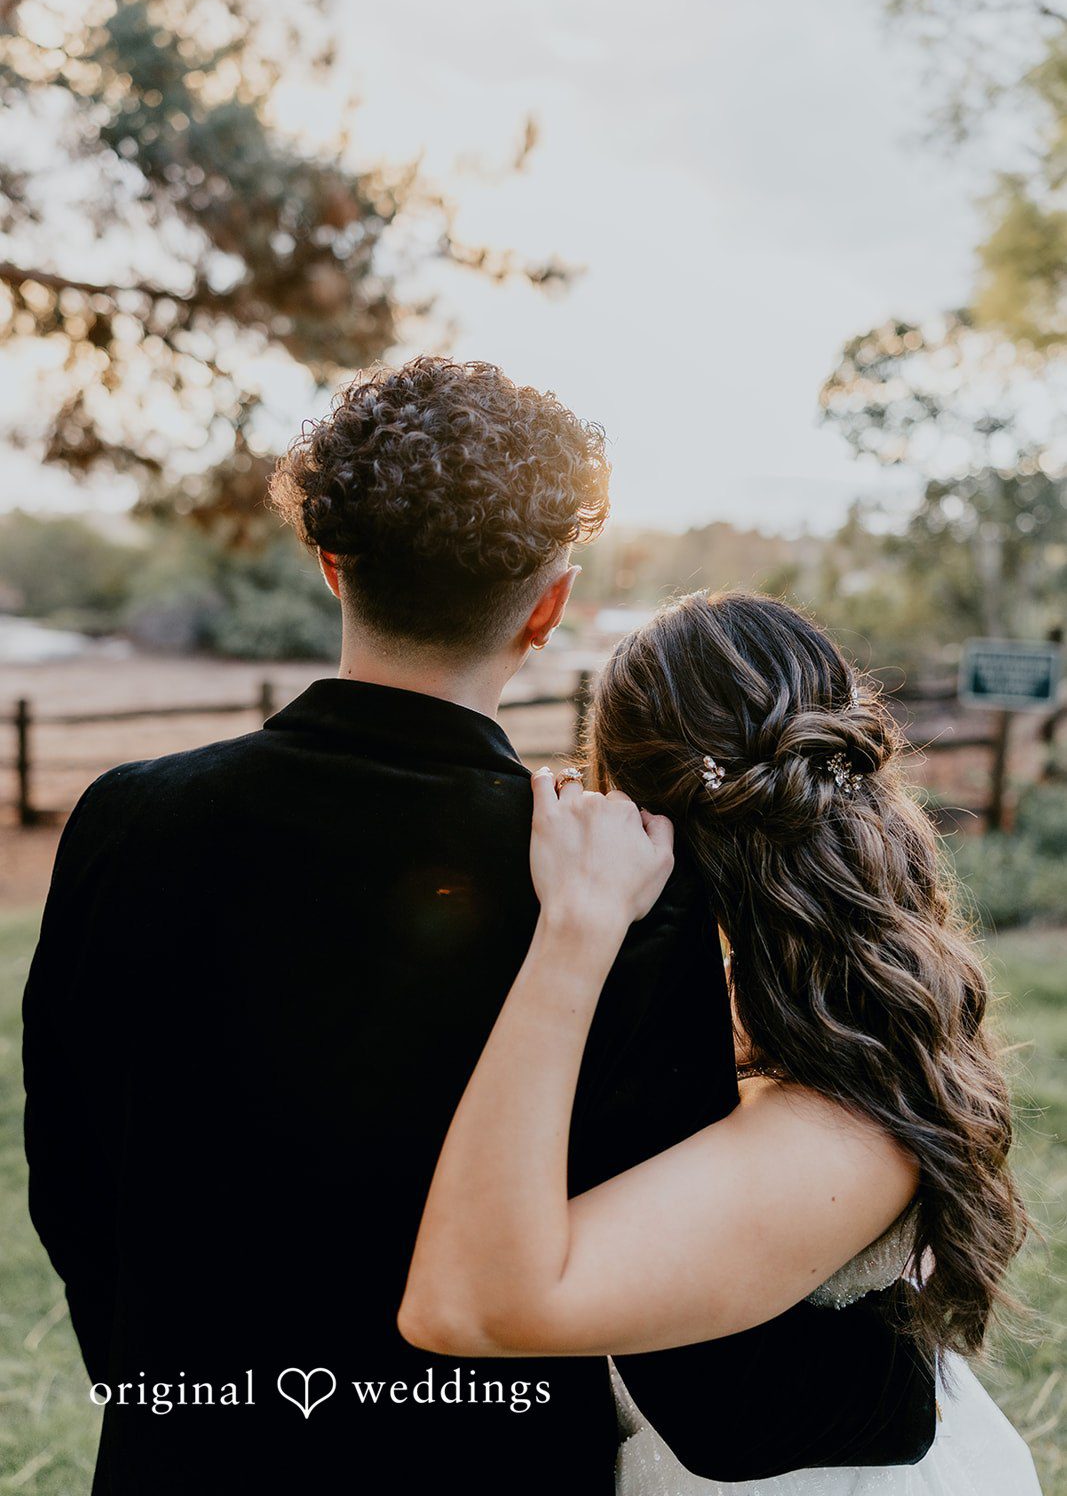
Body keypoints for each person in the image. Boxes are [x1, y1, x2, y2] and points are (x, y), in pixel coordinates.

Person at [23, 357, 746, 1495]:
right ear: (549, 604)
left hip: (188, 1449)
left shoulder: (131, 819)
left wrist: (165, 1389)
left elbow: (68, 1170)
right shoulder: (618, 884)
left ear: (329, 564)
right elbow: (643, 1253)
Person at [400, 590, 1043, 1495]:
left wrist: (578, 928)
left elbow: (464, 1303)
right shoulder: (749, 994)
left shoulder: (847, 1104)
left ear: (627, 799)